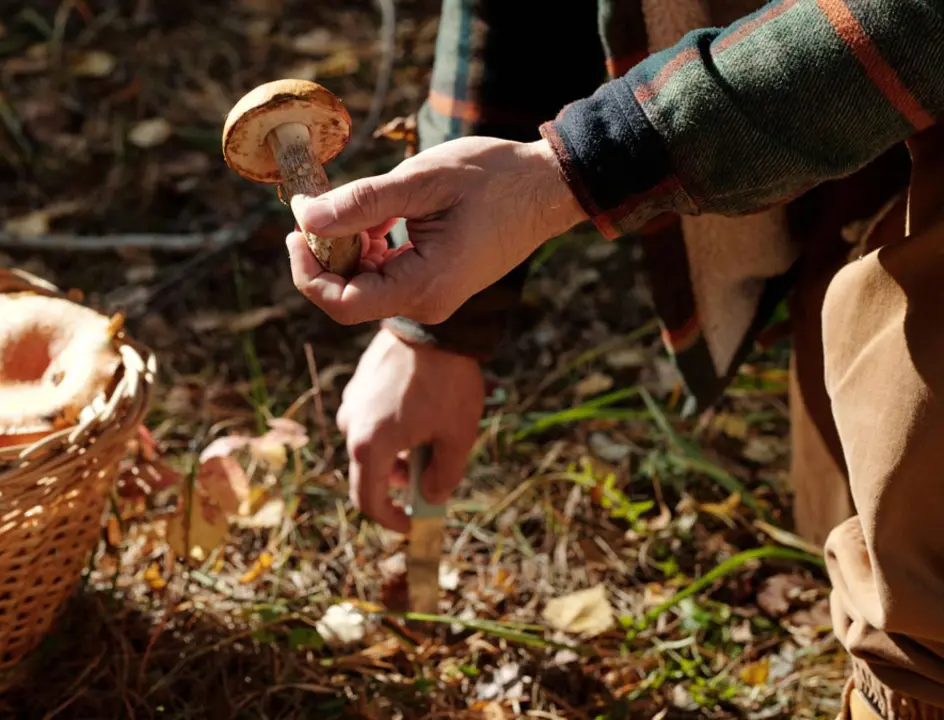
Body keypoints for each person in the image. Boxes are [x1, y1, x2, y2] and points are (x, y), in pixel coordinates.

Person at [287, 1, 944, 718]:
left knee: (928, 581)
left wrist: (579, 167)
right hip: (850, 185)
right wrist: (441, 329)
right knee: (872, 543)